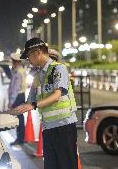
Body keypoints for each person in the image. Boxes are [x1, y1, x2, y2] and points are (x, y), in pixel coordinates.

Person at [14, 38, 78, 169]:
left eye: (28, 56)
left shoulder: (59, 69)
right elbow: (29, 102)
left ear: (37, 52)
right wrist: (6, 113)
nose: (28, 60)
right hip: (48, 129)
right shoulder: (38, 76)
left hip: (64, 126)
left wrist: (34, 105)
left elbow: (57, 95)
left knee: (66, 165)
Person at [8, 53, 27, 145]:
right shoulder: (21, 70)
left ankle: (20, 139)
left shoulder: (18, 72)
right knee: (20, 118)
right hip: (21, 96)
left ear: (15, 61)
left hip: (18, 97)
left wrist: (11, 101)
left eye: (12, 61)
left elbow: (16, 88)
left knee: (19, 118)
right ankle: (21, 137)